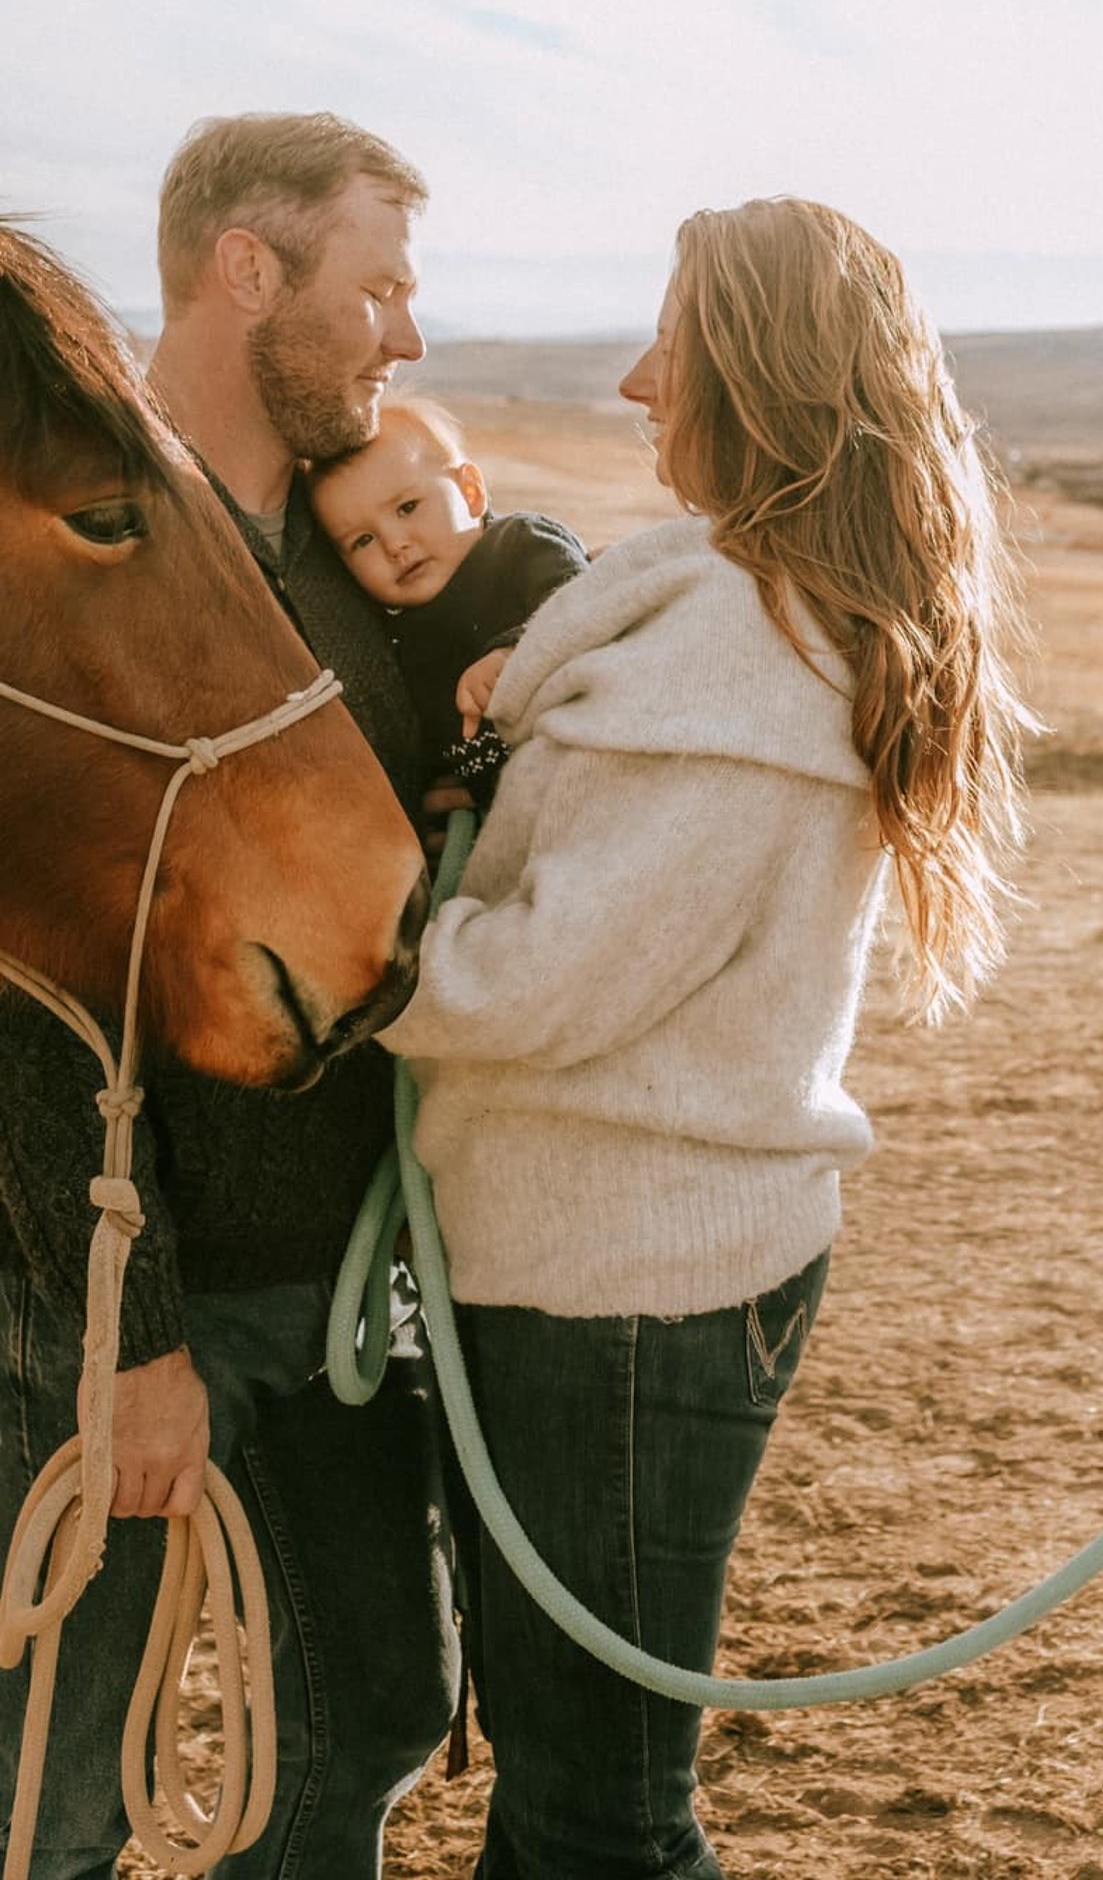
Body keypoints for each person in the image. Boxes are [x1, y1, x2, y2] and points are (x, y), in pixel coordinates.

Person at [381, 196, 1031, 1880]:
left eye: (670, 339)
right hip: (609, 1268)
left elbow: (536, 982)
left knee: (603, 1814)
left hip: (622, 1293)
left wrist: (346, 953)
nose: (631, 380)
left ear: (753, 368)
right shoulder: (737, 618)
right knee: (563, 1785)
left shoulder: (743, 661)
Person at [0, 112, 458, 1879]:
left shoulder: (370, 545)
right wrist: (130, 1332)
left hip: (336, 1279)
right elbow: (33, 969)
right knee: (59, 1769)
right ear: (248, 270)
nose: (405, 332)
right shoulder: (75, 504)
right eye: (378, 286)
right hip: (109, 1288)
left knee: (366, 1718)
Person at [309, 397, 589, 804]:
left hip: (582, 775)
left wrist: (516, 651)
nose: (394, 544)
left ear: (471, 492)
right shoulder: (390, 630)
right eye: (362, 540)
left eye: (407, 507)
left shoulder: (518, 546)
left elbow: (582, 603)